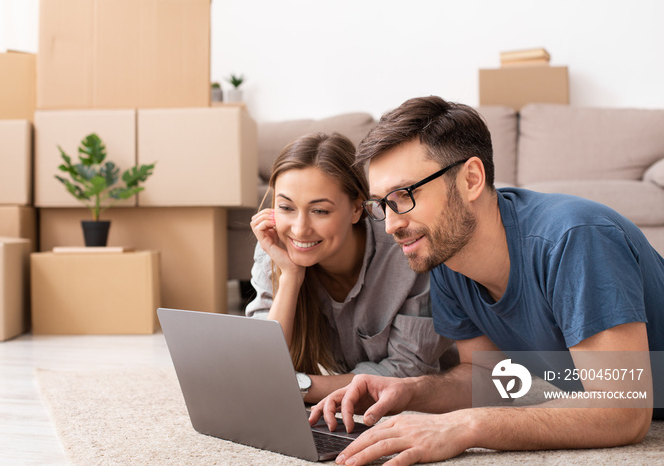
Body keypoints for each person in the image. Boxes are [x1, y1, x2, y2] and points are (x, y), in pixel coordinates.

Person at [308, 96, 664, 465]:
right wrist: (407, 392)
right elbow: (488, 376)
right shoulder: (446, 257)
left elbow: (625, 409)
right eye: (382, 204)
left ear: (471, 179)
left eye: (405, 196)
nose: (393, 223)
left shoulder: (574, 238)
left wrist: (465, 426)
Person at [246, 132, 456, 403]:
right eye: (286, 207)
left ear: (358, 207)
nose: (299, 229)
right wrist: (291, 276)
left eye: (320, 211)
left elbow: (407, 371)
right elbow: (260, 365)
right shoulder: (276, 247)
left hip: (463, 385)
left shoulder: (407, 249)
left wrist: (299, 387)